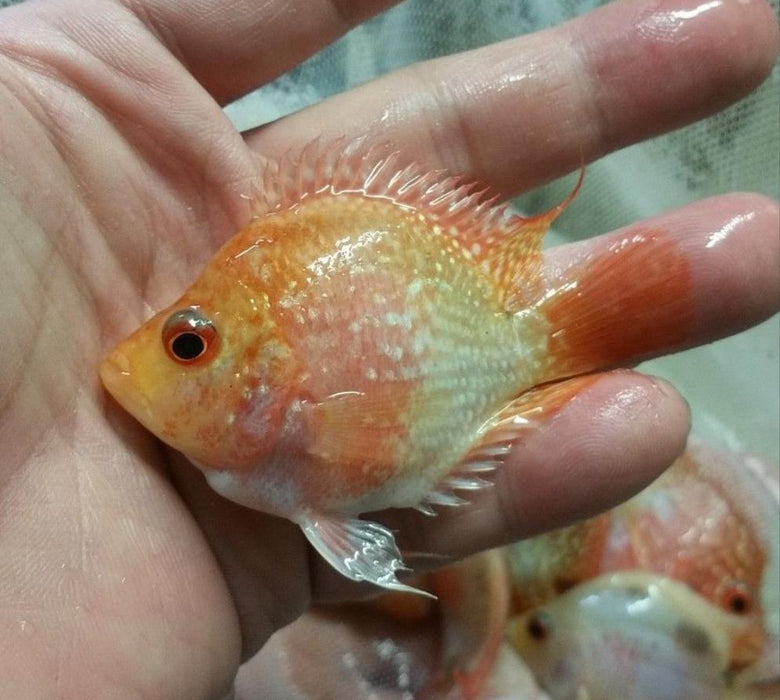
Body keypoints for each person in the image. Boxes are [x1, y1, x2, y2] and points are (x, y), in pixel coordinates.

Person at [0, 0, 777, 696]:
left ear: (266, 370)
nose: (138, 362)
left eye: (189, 346)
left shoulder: (270, 380)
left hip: (468, 351)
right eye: (185, 345)